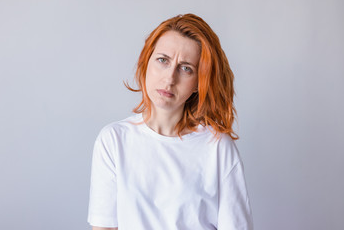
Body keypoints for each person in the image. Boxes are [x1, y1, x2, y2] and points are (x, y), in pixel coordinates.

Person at [87, 13, 253, 230]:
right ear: (146, 62)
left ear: (198, 83)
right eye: (162, 60)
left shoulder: (218, 148)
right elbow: (105, 227)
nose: (170, 79)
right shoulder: (113, 141)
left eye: (186, 68)